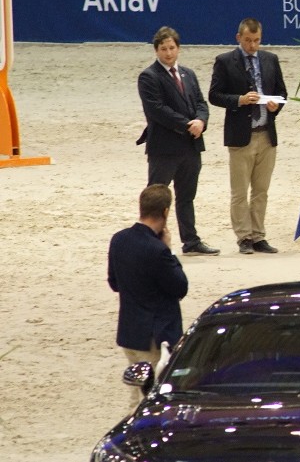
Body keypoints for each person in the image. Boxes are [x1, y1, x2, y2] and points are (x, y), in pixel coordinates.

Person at [137, 26, 220, 256]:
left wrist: (201, 122)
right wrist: (187, 125)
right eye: (163, 49)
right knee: (156, 197)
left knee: (187, 196)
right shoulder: (149, 77)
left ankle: (191, 241)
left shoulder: (188, 74)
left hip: (190, 147)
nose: (168, 53)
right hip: (164, 149)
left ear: (179, 48)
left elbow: (201, 103)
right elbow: (156, 110)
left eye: (172, 48)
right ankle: (150, 240)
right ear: (156, 51)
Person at [209, 19, 287, 255]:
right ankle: (244, 236)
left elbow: (282, 91)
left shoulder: (270, 60)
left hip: (266, 134)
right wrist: (239, 100)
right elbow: (214, 95)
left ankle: (258, 235)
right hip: (241, 135)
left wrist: (276, 105)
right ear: (238, 38)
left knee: (261, 190)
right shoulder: (225, 61)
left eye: (257, 41)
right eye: (248, 41)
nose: (253, 46)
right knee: (240, 191)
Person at [107, 184, 188, 408]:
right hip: (155, 337)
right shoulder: (158, 250)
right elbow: (180, 287)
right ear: (165, 212)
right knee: (154, 401)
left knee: (135, 400)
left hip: (129, 333)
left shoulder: (119, 239)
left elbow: (114, 283)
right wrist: (169, 250)